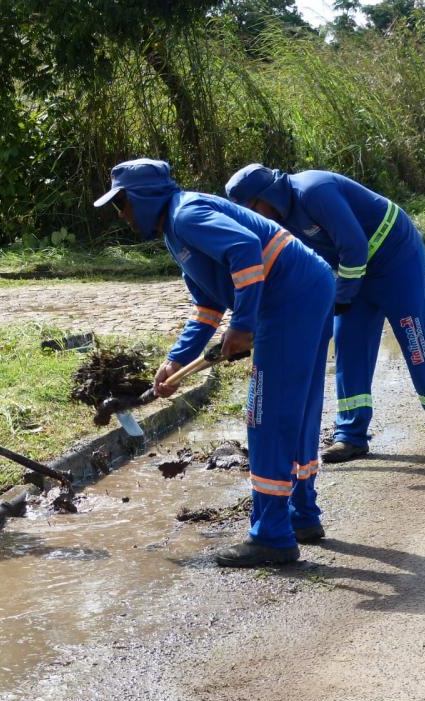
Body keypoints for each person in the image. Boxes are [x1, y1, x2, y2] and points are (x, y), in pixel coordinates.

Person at [95, 158, 334, 567]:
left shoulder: (186, 214)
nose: (121, 215)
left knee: (266, 414)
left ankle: (273, 537)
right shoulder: (176, 227)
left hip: (288, 300)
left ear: (142, 197)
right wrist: (175, 361)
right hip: (308, 288)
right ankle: (301, 517)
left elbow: (245, 251)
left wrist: (242, 325)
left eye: (123, 204)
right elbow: (207, 305)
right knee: (295, 408)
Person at [225, 165, 425, 462]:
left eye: (253, 210)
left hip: (395, 258)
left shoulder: (313, 191)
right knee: (348, 347)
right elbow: (288, 273)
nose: (254, 220)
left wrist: (340, 298)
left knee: (414, 337)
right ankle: (351, 436)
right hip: (352, 273)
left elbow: (354, 245)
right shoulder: (275, 222)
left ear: (266, 197)